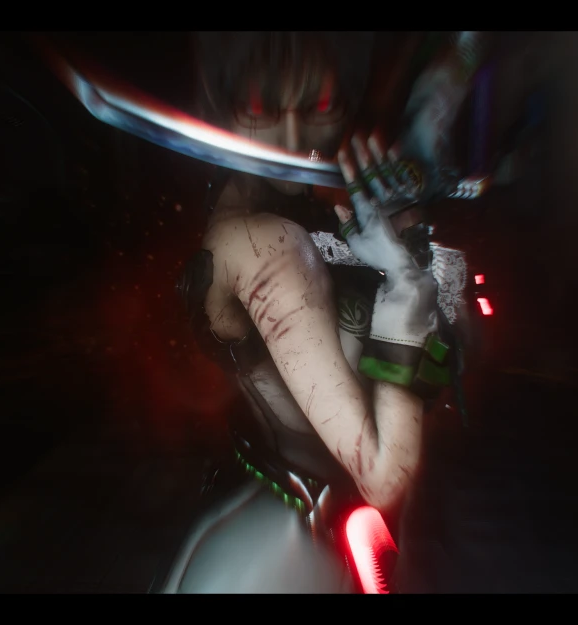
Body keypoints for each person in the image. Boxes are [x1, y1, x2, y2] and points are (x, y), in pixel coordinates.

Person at [154, 31, 487, 594]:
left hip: (356, 540)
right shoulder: (262, 244)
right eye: (260, 109)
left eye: (320, 107)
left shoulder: (317, 208)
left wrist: (409, 228)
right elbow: (384, 475)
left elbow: (455, 359)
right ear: (221, 105)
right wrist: (406, 282)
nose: (294, 141)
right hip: (288, 552)